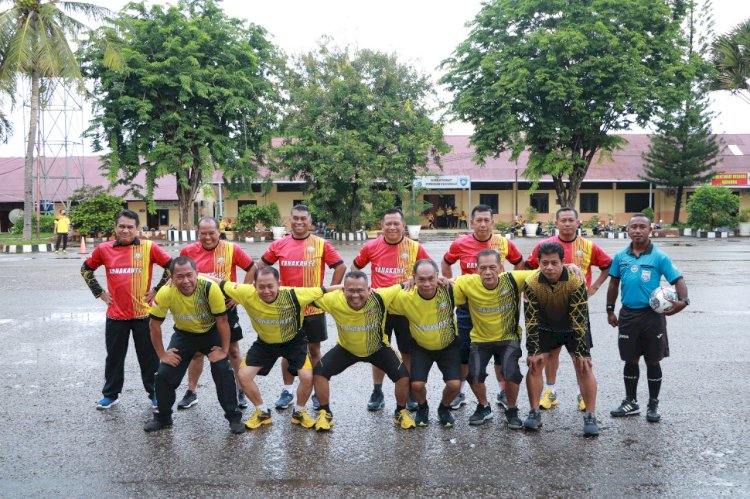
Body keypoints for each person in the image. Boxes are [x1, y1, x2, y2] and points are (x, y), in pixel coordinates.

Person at [216, 267, 330, 430]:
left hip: (294, 342)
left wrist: (363, 292)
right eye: (261, 287)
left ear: (279, 284)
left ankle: (299, 412)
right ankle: (262, 412)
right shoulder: (246, 292)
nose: (266, 291)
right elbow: (219, 282)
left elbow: (326, 290)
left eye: (270, 286)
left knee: (307, 376)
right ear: (254, 286)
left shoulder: (294, 294)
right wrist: (193, 274)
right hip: (265, 343)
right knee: (243, 375)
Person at [80, 209, 171, 410]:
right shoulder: (104, 249)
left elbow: (172, 266)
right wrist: (100, 293)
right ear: (115, 227)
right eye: (122, 226)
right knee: (114, 357)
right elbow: (85, 269)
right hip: (115, 315)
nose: (126, 230)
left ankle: (155, 393)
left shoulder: (149, 247)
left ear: (138, 229)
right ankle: (111, 394)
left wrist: (157, 290)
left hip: (143, 315)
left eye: (130, 227)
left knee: (149, 358)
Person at [259, 204, 345, 412]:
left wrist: (328, 293)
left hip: (313, 309)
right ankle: (287, 391)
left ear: (310, 221)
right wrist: (269, 289)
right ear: (289, 220)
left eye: (303, 219)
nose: (299, 222)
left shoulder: (321, 244)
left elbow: (340, 266)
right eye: (295, 218)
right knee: (287, 352)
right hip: (287, 308)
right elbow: (262, 267)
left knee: (314, 350)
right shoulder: (279, 245)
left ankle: (316, 390)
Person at [524, 207, 612, 412]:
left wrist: (595, 287)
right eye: (562, 220)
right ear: (556, 223)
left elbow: (608, 265)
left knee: (579, 356)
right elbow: (528, 267)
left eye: (570, 220)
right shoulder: (544, 245)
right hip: (549, 306)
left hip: (576, 307)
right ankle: (551, 391)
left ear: (577, 222)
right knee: (551, 354)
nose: (566, 224)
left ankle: (582, 395)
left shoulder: (588, 246)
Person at [144, 256, 245, 434]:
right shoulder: (165, 292)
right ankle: (163, 417)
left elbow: (222, 321)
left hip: (211, 333)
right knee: (163, 374)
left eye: (189, 275)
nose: (185, 281)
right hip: (184, 335)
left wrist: (224, 350)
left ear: (197, 274)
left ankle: (234, 417)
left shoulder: (209, 288)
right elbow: (154, 325)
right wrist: (162, 355)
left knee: (223, 371)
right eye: (179, 277)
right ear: (172, 278)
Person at [606, 213, 688, 423]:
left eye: (643, 226)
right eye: (634, 227)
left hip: (653, 316)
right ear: (628, 230)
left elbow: (677, 279)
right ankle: (630, 402)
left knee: (653, 360)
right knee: (630, 359)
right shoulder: (620, 257)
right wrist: (610, 310)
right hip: (628, 315)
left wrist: (683, 301)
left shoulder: (659, 256)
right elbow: (613, 283)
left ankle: (653, 404)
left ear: (650, 230)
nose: (638, 230)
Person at [441, 204, 524, 411]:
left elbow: (520, 263)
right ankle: (459, 393)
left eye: (487, 220)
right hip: (468, 308)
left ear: (493, 223)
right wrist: (451, 281)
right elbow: (445, 261)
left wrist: (513, 289)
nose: (483, 224)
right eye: (479, 220)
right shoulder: (460, 243)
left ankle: (502, 392)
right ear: (472, 222)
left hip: (498, 308)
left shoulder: (503, 243)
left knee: (500, 354)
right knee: (464, 353)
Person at [311, 271, 415, 431]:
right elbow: (306, 296)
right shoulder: (333, 300)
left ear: (369, 289)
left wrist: (416, 278)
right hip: (347, 349)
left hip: (378, 348)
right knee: (319, 372)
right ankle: (325, 413)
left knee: (403, 377)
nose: (355, 295)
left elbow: (410, 285)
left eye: (360, 290)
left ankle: (400, 412)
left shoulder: (381, 296)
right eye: (350, 290)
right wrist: (332, 288)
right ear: (343, 290)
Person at [351, 208, 430, 411]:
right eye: (389, 223)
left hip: (406, 310)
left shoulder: (414, 248)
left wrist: (416, 278)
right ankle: (377, 391)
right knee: (378, 352)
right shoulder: (371, 246)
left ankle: (411, 391)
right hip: (379, 309)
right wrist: (362, 291)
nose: (393, 227)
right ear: (382, 225)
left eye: (397, 223)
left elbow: (428, 268)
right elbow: (355, 269)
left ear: (403, 226)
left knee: (408, 352)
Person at [177, 217, 256, 411]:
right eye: (203, 233)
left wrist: (240, 294)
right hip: (199, 308)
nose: (207, 237)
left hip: (226, 308)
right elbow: (178, 273)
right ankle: (191, 392)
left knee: (234, 350)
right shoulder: (188, 251)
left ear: (218, 231)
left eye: (211, 232)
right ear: (198, 233)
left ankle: (240, 390)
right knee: (196, 353)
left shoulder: (231, 249)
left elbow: (252, 267)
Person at [523, 242, 600, 436]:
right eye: (545, 263)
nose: (549, 267)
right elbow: (530, 319)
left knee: (584, 365)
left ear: (563, 262)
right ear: (538, 262)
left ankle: (590, 415)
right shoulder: (531, 282)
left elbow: (580, 317)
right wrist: (532, 351)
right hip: (545, 326)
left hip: (573, 326)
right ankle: (534, 412)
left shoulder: (575, 280)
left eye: (554, 263)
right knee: (534, 364)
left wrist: (581, 351)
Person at [452, 250, 530, 429]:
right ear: (477, 269)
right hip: (480, 339)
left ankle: (512, 409)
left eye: (492, 267)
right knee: (474, 373)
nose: (488, 272)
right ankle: (484, 406)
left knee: (511, 372)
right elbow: (439, 285)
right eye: (483, 268)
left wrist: (569, 267)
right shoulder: (466, 282)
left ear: (501, 268)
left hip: (508, 338)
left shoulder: (513, 279)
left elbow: (545, 271)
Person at [389, 259, 460, 428]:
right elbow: (379, 296)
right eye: (421, 279)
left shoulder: (450, 290)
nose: (427, 283)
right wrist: (401, 285)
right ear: (413, 278)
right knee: (417, 385)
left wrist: (450, 280)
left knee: (454, 385)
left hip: (448, 346)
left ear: (438, 276)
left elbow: (473, 282)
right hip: (421, 347)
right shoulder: (405, 296)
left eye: (431, 278)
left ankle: (444, 408)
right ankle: (423, 407)